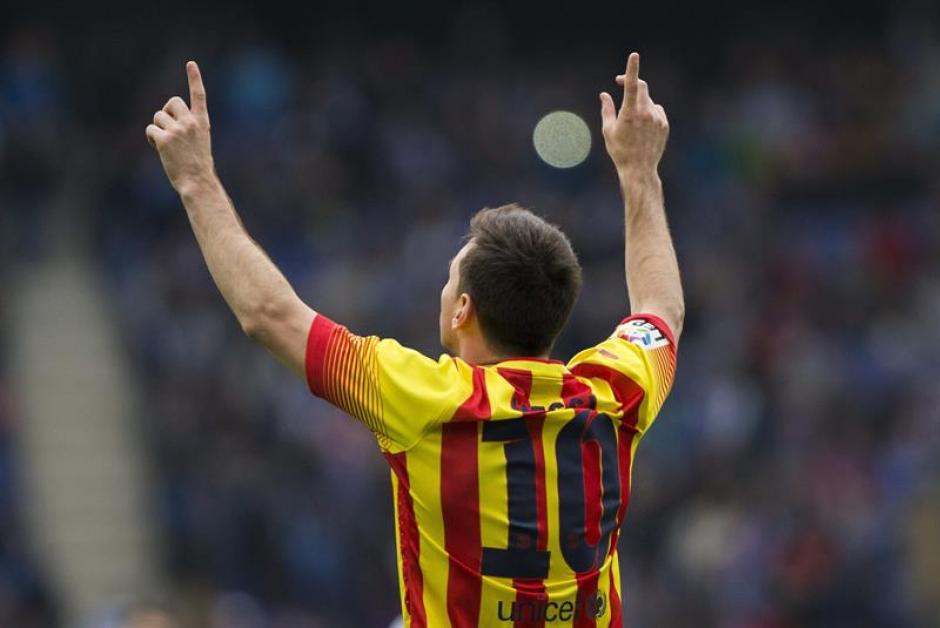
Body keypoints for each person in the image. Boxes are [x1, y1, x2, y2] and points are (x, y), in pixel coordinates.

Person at [145, 51, 682, 627]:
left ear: (463, 312)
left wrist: (197, 181)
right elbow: (661, 310)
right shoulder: (615, 390)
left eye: (449, 279)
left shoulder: (427, 399)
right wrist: (639, 171)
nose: (443, 290)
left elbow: (268, 316)